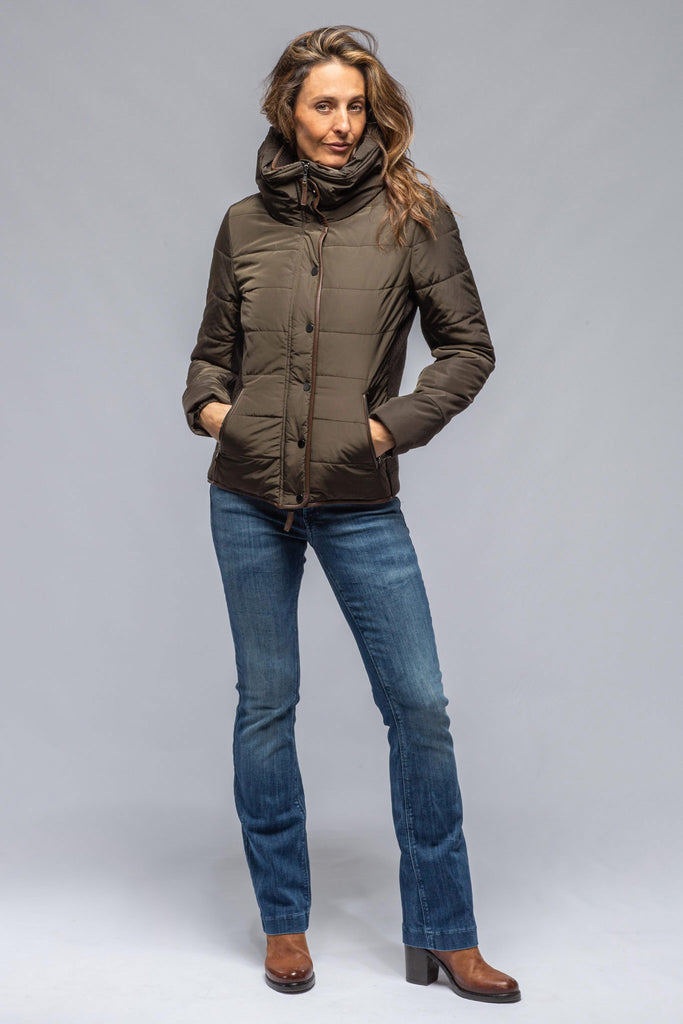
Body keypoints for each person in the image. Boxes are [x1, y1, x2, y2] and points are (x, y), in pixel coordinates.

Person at [182, 24, 521, 1003]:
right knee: (265, 705)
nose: (340, 124)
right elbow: (209, 358)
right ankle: (283, 922)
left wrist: (379, 432)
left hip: (357, 498)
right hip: (246, 499)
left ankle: (445, 934)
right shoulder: (244, 224)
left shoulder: (413, 216)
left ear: (374, 115)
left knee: (417, 705)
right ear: (287, 112)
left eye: (354, 106)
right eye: (321, 104)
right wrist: (216, 413)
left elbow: (466, 350)